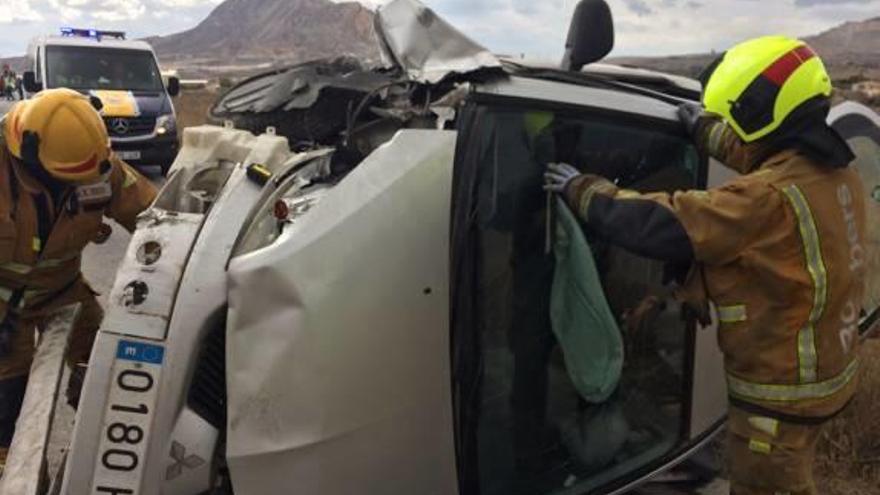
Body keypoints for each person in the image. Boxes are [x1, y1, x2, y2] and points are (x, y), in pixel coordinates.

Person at [545, 35, 864, 495]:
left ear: (761, 110)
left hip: (778, 396)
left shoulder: (767, 198)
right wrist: (704, 129)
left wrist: (583, 190)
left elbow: (663, 224)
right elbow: (759, 152)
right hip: (825, 374)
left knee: (769, 486)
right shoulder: (833, 168)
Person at [0, 88, 157, 471]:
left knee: (104, 372)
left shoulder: (95, 163)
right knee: (8, 395)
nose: (76, 186)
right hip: (4, 307)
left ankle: (96, 443)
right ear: (31, 156)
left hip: (64, 290)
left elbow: (153, 218)